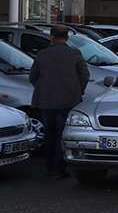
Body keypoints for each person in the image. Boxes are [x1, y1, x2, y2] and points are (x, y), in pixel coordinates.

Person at [29, 24, 90, 178]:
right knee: (62, 135)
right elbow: (85, 75)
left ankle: (50, 168)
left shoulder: (42, 54)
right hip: (68, 101)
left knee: (49, 135)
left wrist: (43, 88)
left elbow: (33, 76)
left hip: (46, 101)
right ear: (67, 37)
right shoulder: (74, 53)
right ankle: (59, 168)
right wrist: (79, 90)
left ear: (51, 37)